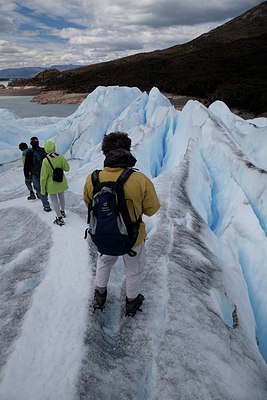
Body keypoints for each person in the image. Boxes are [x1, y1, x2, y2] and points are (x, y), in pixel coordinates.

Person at [83, 131, 160, 316]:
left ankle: (100, 296)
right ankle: (131, 303)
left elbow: (88, 204)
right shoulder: (139, 179)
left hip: (103, 234)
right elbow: (152, 209)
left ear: (105, 153)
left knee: (104, 262)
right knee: (134, 269)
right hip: (133, 237)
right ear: (127, 151)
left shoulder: (92, 178)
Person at [40, 140, 70, 226]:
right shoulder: (60, 157)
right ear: (54, 148)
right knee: (61, 197)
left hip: (51, 185)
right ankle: (63, 212)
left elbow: (43, 177)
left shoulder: (45, 161)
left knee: (54, 201)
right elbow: (67, 168)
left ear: (46, 150)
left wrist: (42, 189)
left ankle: (59, 218)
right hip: (61, 182)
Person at [24, 137, 51, 212]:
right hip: (45, 172)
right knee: (45, 187)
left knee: (39, 189)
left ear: (31, 143)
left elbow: (27, 166)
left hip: (35, 174)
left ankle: (46, 205)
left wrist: (27, 175)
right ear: (38, 142)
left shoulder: (29, 152)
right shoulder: (43, 150)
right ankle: (44, 198)